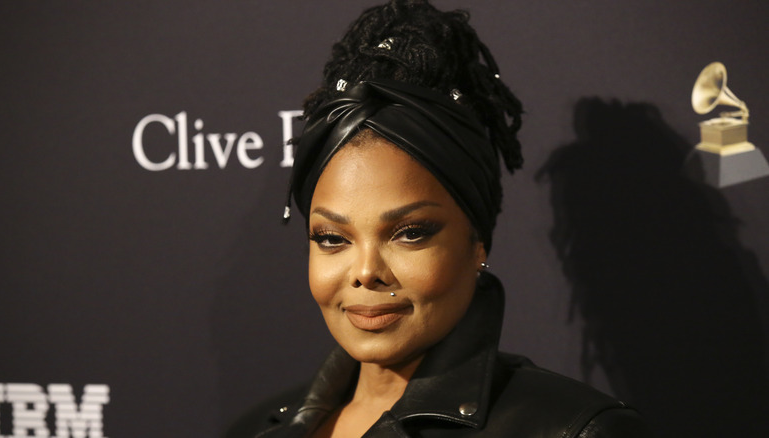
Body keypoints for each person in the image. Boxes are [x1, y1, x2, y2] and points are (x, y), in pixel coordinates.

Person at [227, 1, 653, 436]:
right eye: (333, 238)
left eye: (409, 233)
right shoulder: (251, 431)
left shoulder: (573, 430)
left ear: (477, 244)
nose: (366, 272)